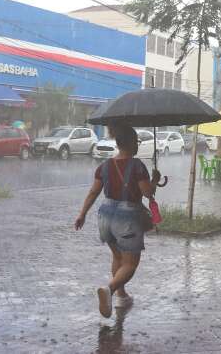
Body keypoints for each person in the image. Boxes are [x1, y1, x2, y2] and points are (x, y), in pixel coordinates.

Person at [74, 125, 161, 318]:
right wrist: (154, 180)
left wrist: (82, 214)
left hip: (105, 216)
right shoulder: (137, 166)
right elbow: (147, 193)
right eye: (137, 141)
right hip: (127, 218)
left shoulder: (104, 166)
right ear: (130, 143)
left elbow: (93, 192)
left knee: (118, 257)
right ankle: (110, 289)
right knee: (130, 264)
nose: (138, 145)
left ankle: (121, 295)